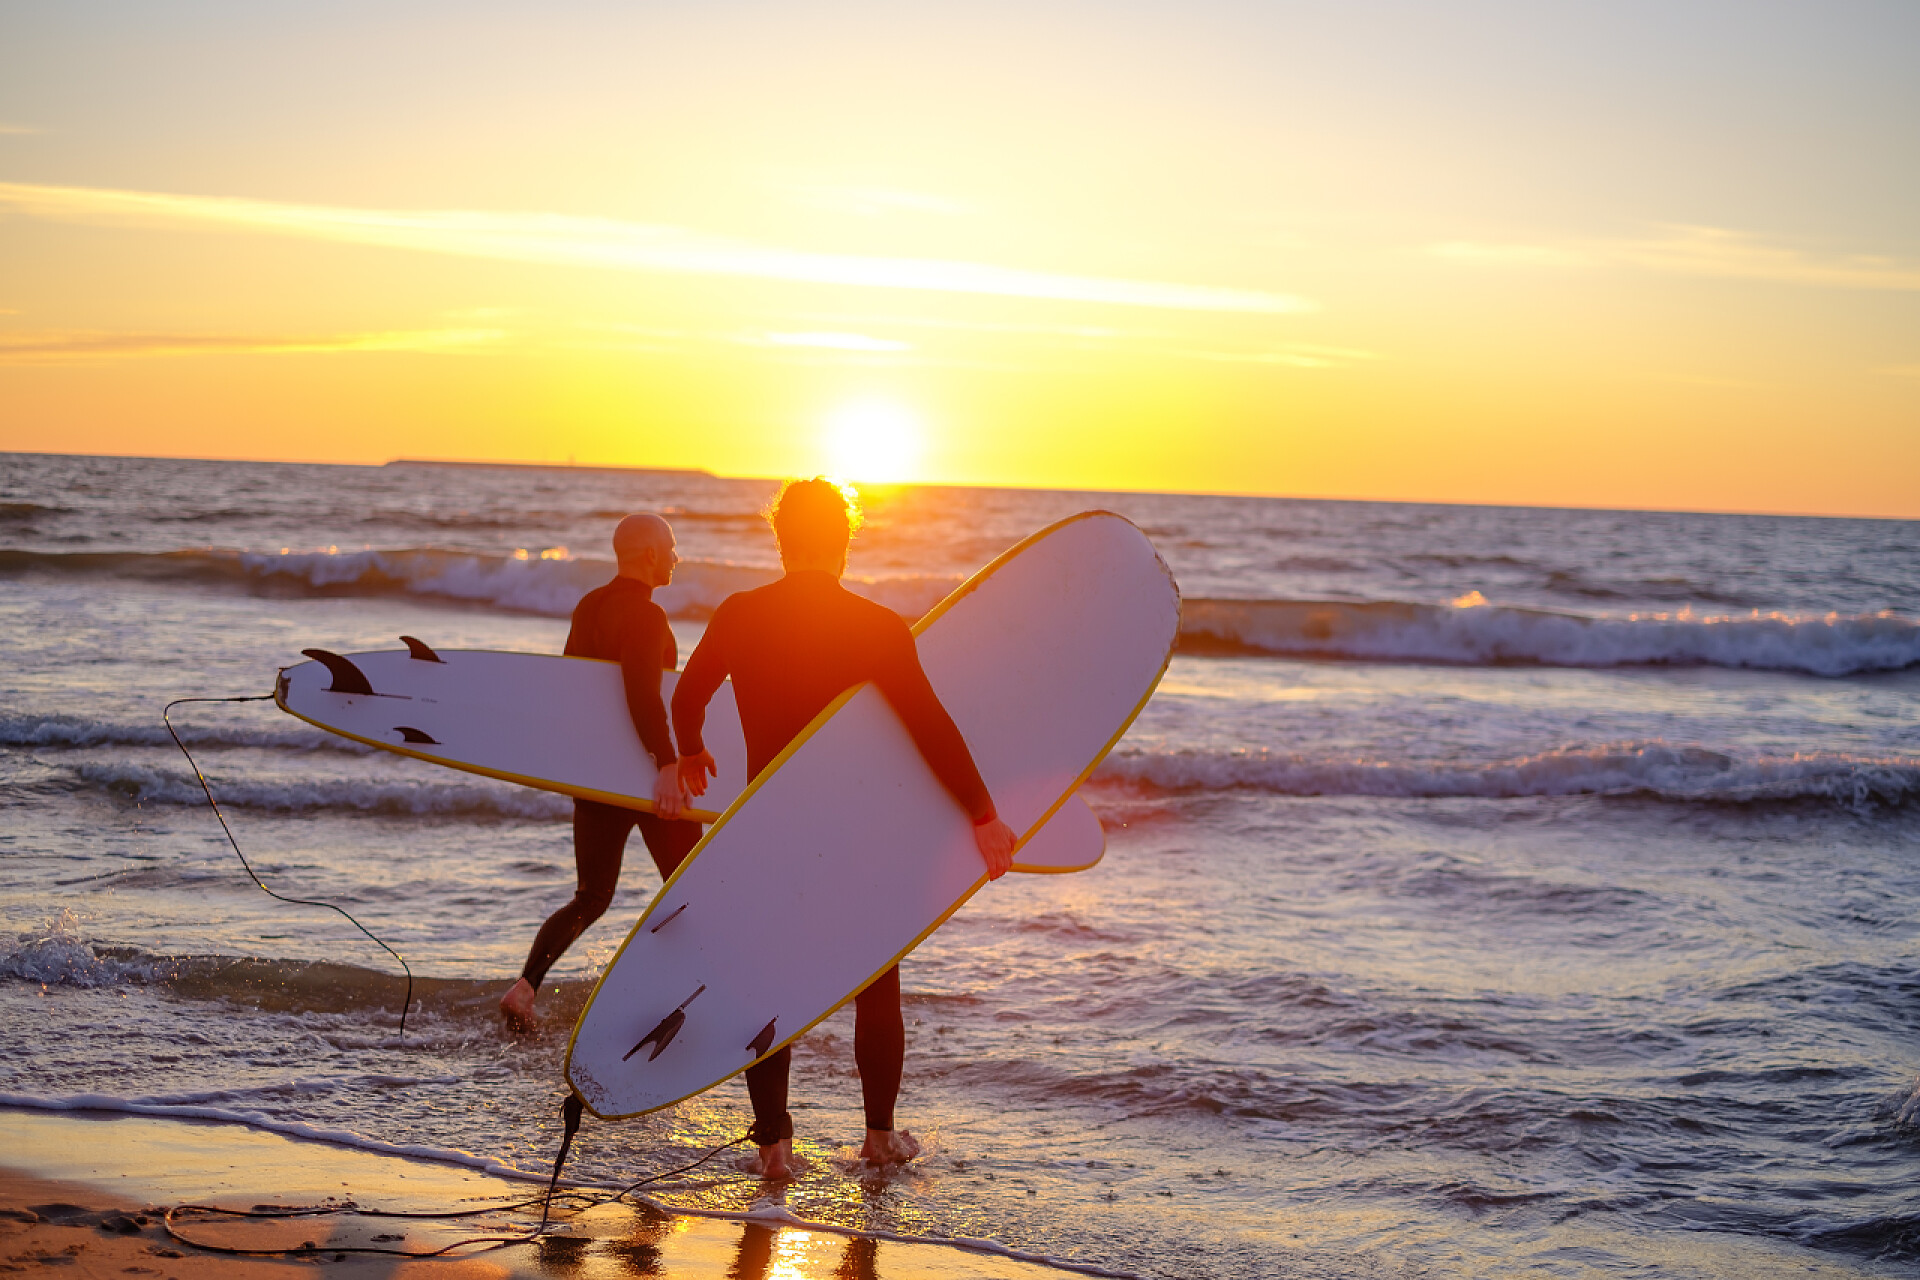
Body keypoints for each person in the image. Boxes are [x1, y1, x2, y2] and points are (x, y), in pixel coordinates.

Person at [668, 478, 1017, 1177]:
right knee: (876, 981)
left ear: (780, 539)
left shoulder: (740, 613)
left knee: (766, 981)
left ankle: (773, 1148)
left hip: (766, 832)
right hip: (853, 840)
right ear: (846, 541)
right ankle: (878, 1137)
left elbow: (688, 695)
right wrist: (983, 815)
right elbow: (930, 729)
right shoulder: (876, 627)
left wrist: (691, 753)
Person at [498, 513, 702, 1032]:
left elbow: (574, 691)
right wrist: (668, 763)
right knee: (692, 891)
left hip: (598, 778)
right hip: (647, 776)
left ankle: (525, 989)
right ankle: (674, 1007)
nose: (677, 557)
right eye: (672, 548)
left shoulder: (589, 606)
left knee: (591, 898)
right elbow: (642, 696)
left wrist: (576, 766)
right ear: (652, 554)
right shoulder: (648, 616)